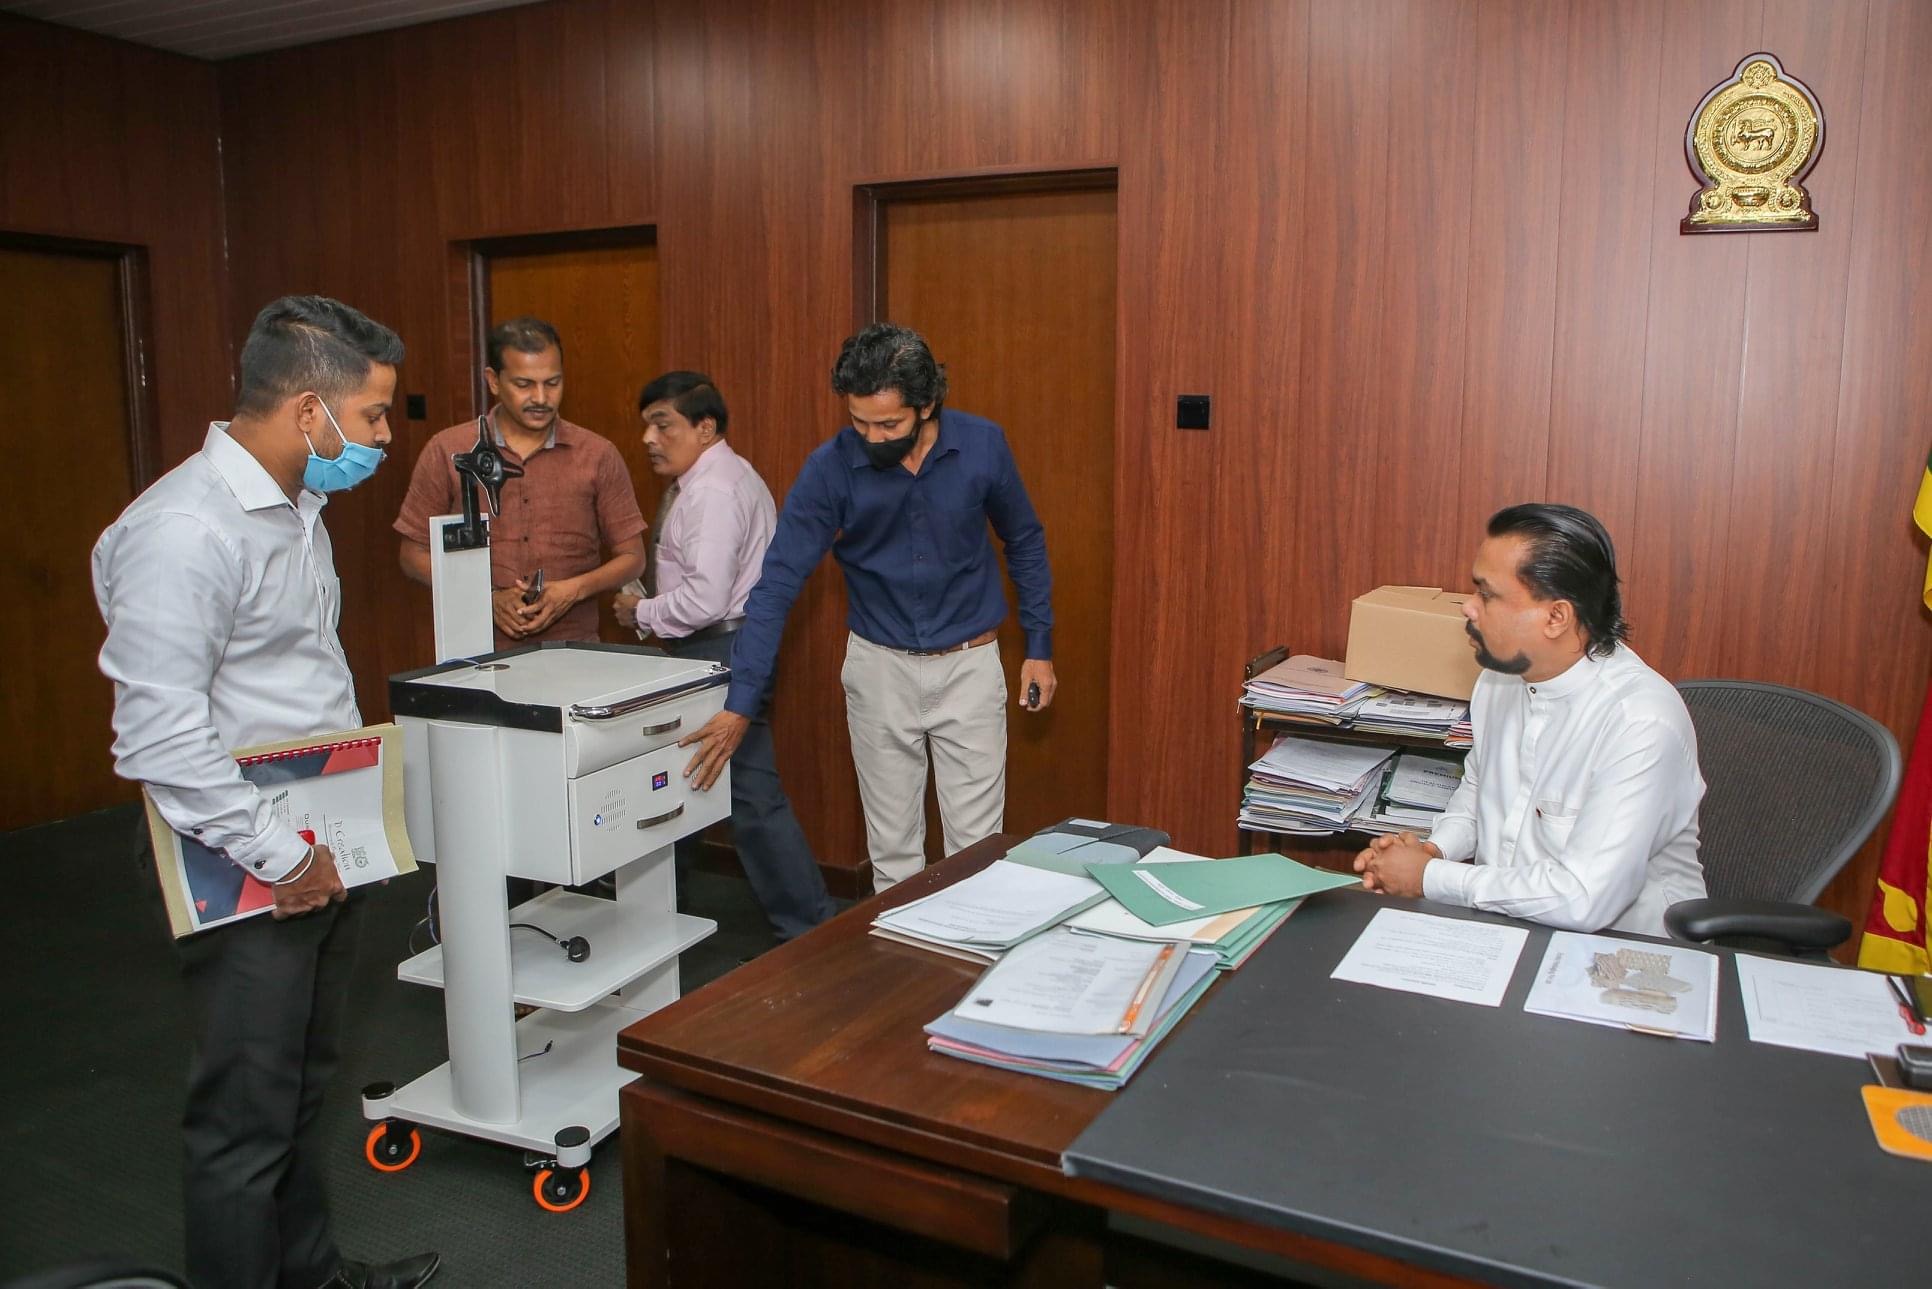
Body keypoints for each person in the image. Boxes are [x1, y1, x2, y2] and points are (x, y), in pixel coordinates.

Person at [93, 296, 439, 1289]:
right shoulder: (182, 531)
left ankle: (313, 1275)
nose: (380, 437)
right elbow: (160, 735)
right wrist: (283, 856)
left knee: (298, 1088)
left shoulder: (298, 507)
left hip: (312, 837)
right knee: (241, 1115)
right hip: (243, 852)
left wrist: (319, 845)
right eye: (371, 417)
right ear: (306, 411)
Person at [680, 323, 1056, 891]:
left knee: (977, 854)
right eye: (859, 423)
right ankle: (904, 977)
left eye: (889, 424)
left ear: (927, 404)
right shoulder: (830, 468)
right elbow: (777, 581)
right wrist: (740, 701)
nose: (873, 438)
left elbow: (1024, 540)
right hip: (879, 670)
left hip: (969, 665)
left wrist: (1039, 648)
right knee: (894, 855)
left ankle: (972, 977)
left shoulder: (982, 445)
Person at [1353, 503, 1707, 937]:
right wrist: (1434, 849)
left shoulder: (1641, 721)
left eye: (1487, 594)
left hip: (1628, 958)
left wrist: (1427, 878)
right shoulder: (1499, 683)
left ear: (1556, 617)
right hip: (1511, 931)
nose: (1468, 607)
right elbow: (1479, 793)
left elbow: (1584, 898)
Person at [611, 372, 834, 939]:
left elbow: (706, 600)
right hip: (723, 646)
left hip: (719, 648)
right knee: (697, 781)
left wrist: (641, 614)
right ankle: (673, 916)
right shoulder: (717, 476)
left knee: (750, 796)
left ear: (705, 427)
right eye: (646, 426)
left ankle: (807, 931)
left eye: (663, 425)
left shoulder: (712, 491)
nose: (649, 439)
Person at [394, 316, 645, 649]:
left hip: (575, 651)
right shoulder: (449, 450)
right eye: (524, 384)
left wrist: (572, 591)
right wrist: (486, 597)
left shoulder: (598, 455)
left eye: (552, 383)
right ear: (493, 381)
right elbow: (411, 555)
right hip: (475, 650)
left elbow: (633, 558)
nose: (541, 397)